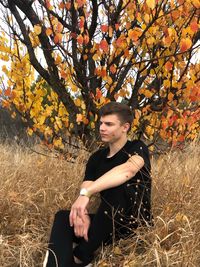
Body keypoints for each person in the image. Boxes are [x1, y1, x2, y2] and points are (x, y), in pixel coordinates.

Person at [44, 101, 152, 267]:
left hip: (133, 226)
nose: (102, 128)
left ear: (125, 127)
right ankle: (60, 264)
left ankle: (81, 254)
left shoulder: (137, 147)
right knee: (64, 217)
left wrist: (87, 194)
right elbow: (86, 184)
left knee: (121, 187)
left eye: (109, 124)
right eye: (101, 123)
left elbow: (128, 170)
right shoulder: (96, 158)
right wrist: (82, 214)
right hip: (105, 225)